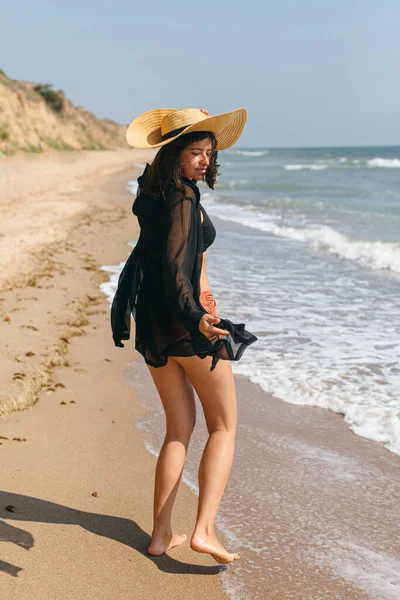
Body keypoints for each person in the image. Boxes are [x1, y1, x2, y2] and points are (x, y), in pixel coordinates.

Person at [111, 107, 257, 564]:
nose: (204, 161)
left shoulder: (152, 190)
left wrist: (204, 296)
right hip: (183, 322)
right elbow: (179, 269)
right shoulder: (182, 198)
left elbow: (182, 259)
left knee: (179, 428)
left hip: (154, 322)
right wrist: (198, 317)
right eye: (195, 152)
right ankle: (205, 531)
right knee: (224, 426)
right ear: (174, 153)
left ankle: (160, 535)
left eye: (208, 154)